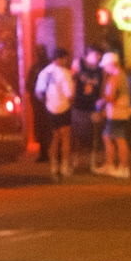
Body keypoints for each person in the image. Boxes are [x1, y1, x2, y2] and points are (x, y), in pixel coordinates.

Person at [37, 50, 75, 179]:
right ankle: (64, 166)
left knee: (54, 138)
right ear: (61, 59)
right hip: (63, 108)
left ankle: (54, 166)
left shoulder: (44, 72)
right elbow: (69, 95)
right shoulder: (64, 73)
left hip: (50, 108)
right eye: (65, 59)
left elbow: (39, 92)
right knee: (65, 137)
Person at [70, 46, 104, 174]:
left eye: (100, 55)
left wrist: (100, 106)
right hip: (79, 105)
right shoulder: (79, 64)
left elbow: (102, 86)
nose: (99, 57)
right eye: (96, 54)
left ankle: (92, 162)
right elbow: (72, 80)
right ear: (88, 54)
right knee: (77, 135)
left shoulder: (100, 70)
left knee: (92, 135)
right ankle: (75, 161)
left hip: (93, 106)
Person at [100, 49, 131, 178]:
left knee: (117, 139)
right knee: (110, 137)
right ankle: (112, 165)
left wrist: (101, 102)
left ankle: (122, 168)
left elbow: (110, 96)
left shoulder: (115, 77)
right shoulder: (122, 75)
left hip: (116, 113)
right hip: (120, 112)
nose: (104, 69)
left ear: (111, 64)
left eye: (105, 66)